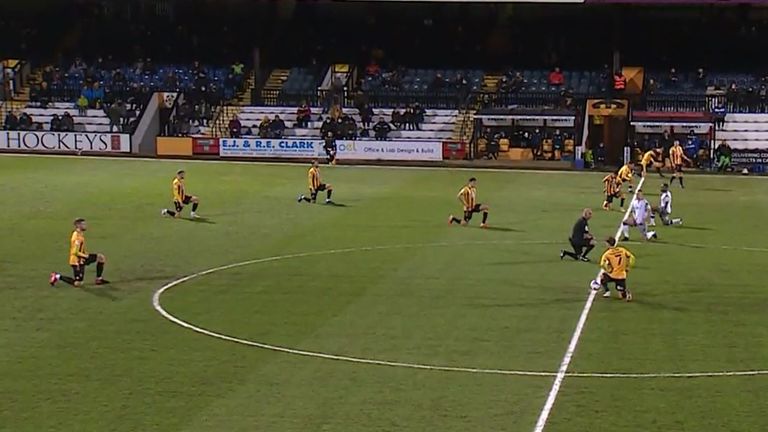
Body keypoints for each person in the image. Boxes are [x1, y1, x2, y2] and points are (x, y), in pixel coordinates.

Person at [49, 218, 108, 287]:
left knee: (101, 258)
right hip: (77, 261)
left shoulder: (79, 233)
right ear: (78, 225)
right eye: (83, 224)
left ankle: (99, 279)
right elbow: (75, 252)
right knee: (78, 283)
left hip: (82, 257)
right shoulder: (77, 237)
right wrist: (86, 256)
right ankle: (57, 276)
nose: (85, 226)